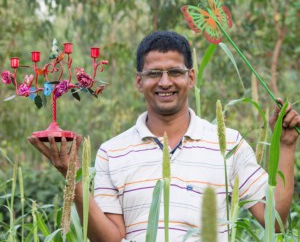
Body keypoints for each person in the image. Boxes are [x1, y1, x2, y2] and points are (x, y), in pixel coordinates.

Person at [28, 31, 300, 242]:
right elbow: (109, 238)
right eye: (154, 74)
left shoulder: (229, 144)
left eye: (175, 72)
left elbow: (274, 221)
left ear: (191, 77)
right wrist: (72, 177)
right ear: (139, 82)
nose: (165, 82)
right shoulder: (113, 152)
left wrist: (286, 146)